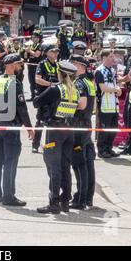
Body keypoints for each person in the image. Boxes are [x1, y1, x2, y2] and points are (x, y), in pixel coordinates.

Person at [34, 61, 86, 214]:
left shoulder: (56, 89)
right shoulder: (75, 91)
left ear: (60, 73)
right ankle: (65, 201)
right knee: (65, 167)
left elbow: (37, 102)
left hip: (55, 131)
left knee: (53, 167)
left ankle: (54, 202)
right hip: (69, 131)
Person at [0, 54, 35, 206]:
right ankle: (9, 196)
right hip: (11, 126)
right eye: (18, 64)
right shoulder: (14, 83)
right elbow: (22, 108)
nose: (21, 67)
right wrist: (29, 127)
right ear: (10, 65)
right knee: (10, 161)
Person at [70, 55, 97, 209]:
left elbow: (81, 104)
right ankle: (88, 197)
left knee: (79, 163)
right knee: (88, 162)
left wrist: (64, 106)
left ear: (79, 66)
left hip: (79, 125)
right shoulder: (88, 82)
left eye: (73, 64)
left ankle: (80, 198)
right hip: (86, 124)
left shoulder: (79, 83)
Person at [33, 45, 60, 153]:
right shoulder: (42, 64)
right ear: (47, 53)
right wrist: (51, 84)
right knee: (40, 121)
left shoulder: (58, 64)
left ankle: (51, 145)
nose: (55, 54)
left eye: (57, 52)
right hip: (43, 96)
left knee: (53, 121)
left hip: (55, 97)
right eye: (53, 52)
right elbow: (37, 80)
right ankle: (35, 144)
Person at [95, 50, 122, 159]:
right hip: (104, 105)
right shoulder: (99, 71)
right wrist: (115, 90)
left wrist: (118, 88)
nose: (113, 59)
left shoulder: (112, 70)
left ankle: (109, 148)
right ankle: (102, 150)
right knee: (105, 129)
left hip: (113, 105)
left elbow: (115, 84)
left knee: (113, 128)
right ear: (104, 57)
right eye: (111, 56)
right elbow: (102, 88)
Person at [26, 30, 44, 101]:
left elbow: (37, 55)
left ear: (39, 38)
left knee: (37, 82)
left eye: (36, 37)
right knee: (31, 82)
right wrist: (26, 51)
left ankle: (38, 96)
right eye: (33, 37)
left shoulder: (40, 46)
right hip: (30, 66)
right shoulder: (31, 45)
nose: (34, 39)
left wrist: (29, 51)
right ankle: (33, 96)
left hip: (37, 66)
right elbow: (26, 56)